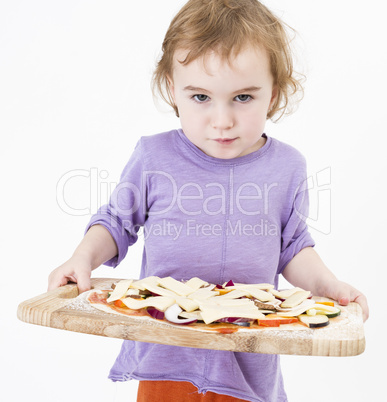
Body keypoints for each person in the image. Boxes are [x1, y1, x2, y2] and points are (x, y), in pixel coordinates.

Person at [48, 1, 369, 401]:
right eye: (201, 97)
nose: (222, 120)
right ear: (172, 88)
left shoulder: (288, 167)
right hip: (166, 355)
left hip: (249, 359)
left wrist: (329, 285)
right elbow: (116, 221)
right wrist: (83, 257)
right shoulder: (153, 157)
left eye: (243, 98)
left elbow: (292, 246)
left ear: (274, 92)